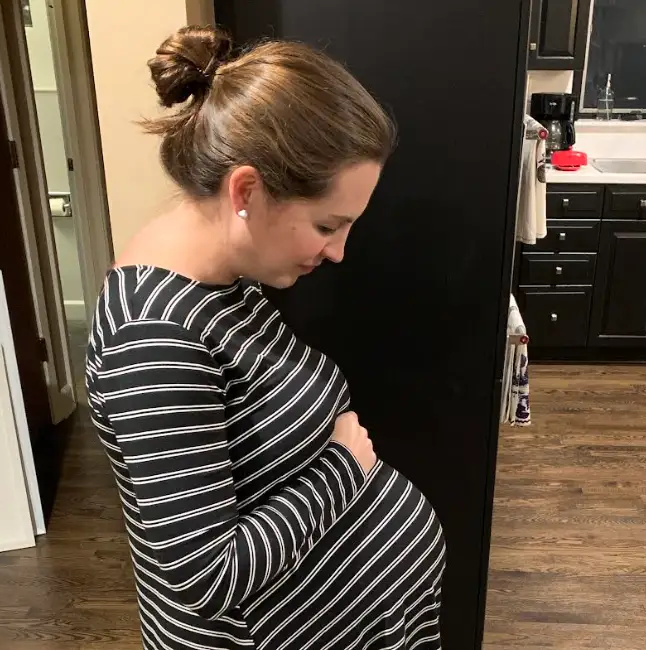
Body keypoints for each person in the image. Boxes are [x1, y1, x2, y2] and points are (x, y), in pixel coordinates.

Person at [85, 25, 446, 650]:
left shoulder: (223, 280)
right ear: (246, 190)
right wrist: (345, 468)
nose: (338, 252)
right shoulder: (154, 340)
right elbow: (207, 575)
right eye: (328, 224)